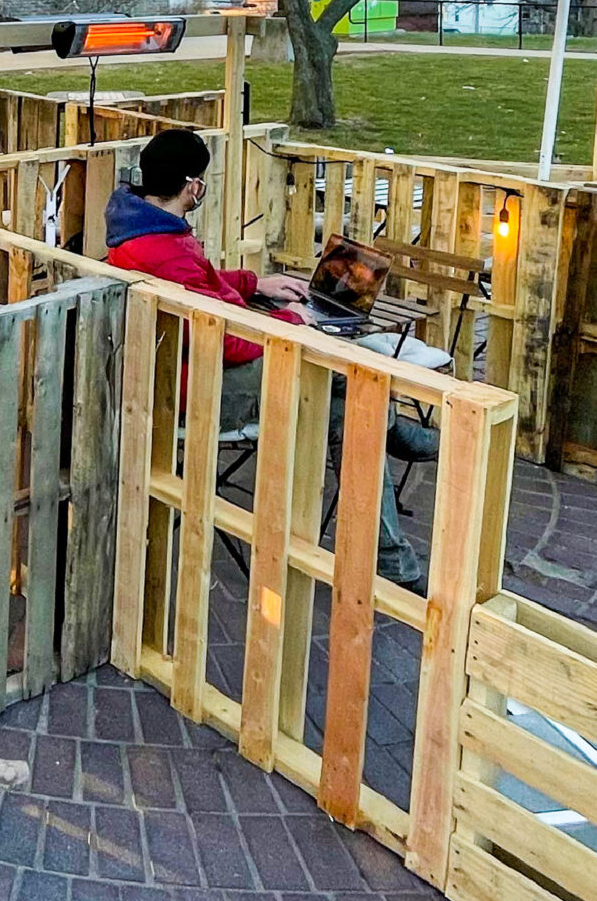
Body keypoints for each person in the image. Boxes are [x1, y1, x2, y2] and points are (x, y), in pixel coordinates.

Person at [104, 128, 431, 588]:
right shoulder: (165, 250)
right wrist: (293, 321)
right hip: (201, 387)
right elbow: (227, 341)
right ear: (192, 185)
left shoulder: (141, 230)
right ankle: (391, 458)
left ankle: (390, 516)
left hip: (180, 369)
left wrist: (256, 285)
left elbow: (203, 285)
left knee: (348, 396)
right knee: (348, 391)